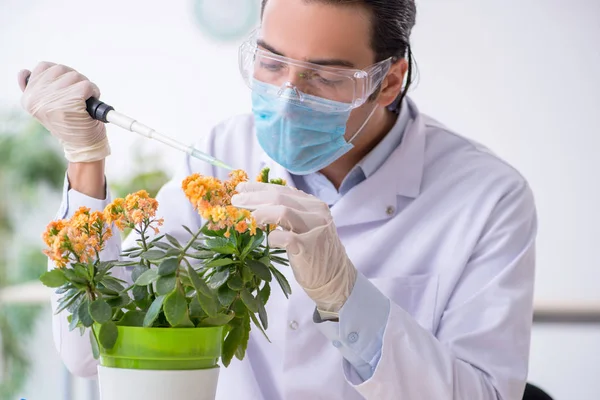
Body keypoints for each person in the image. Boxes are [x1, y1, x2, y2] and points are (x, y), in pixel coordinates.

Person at [18, 0, 538, 399]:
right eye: (271, 63)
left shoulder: (488, 198)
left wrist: (346, 297)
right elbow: (89, 348)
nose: (289, 95)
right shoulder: (223, 152)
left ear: (389, 81)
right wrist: (85, 161)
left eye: (326, 76)